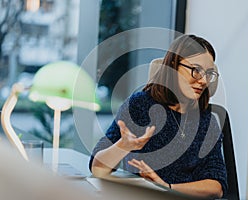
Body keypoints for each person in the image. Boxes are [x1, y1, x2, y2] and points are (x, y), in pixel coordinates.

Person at [89, 34, 227, 199]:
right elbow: (97, 168)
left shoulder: (207, 122)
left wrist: (167, 187)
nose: (204, 80)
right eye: (196, 70)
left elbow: (217, 186)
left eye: (209, 73)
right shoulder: (139, 105)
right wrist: (123, 146)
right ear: (173, 67)